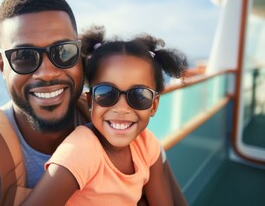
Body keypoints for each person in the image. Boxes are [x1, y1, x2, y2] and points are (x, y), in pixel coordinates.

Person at [0, 0, 186, 205]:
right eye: (23, 57)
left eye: (63, 52)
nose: (46, 72)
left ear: (80, 56)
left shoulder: (129, 134)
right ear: (1, 65)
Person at [20, 26, 188, 205]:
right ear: (91, 101)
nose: (122, 108)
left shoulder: (147, 145)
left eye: (139, 95)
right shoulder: (80, 151)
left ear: (153, 105)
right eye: (107, 93)